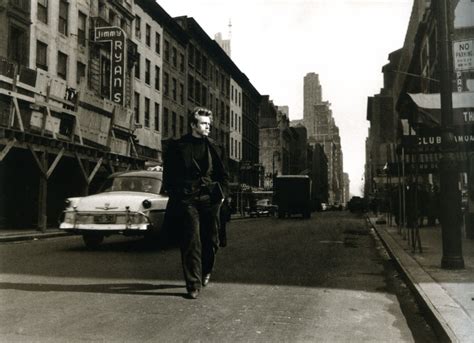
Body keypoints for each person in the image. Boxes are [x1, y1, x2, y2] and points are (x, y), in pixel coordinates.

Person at [163, 107, 229, 299]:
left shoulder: (215, 147)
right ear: (193, 124)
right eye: (203, 123)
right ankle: (193, 284)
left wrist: (223, 194)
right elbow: (169, 174)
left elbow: (223, 175)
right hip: (187, 199)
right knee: (191, 240)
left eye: (209, 124)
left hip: (210, 199)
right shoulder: (177, 147)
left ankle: (205, 270)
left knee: (212, 240)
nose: (207, 127)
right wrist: (177, 194)